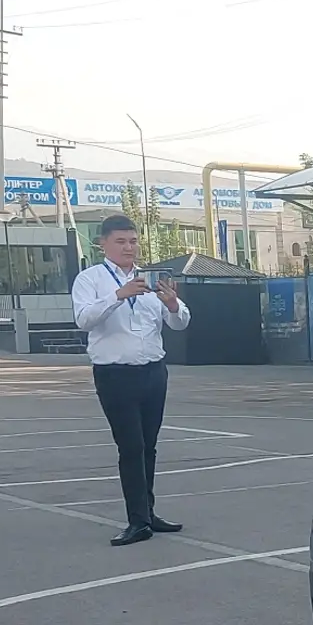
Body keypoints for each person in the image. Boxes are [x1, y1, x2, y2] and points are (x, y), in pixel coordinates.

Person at [72, 214, 190, 546]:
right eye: (121, 241)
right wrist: (118, 295)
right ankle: (136, 520)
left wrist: (172, 304)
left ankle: (148, 513)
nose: (129, 247)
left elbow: (180, 323)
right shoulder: (90, 279)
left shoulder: (152, 279)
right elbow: (83, 320)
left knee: (148, 447)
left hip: (153, 371)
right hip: (115, 374)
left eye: (133, 241)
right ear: (104, 244)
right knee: (131, 446)